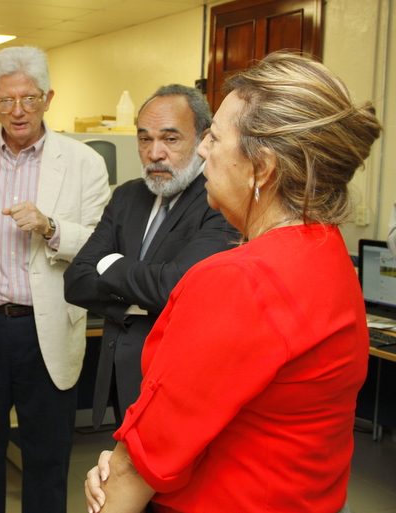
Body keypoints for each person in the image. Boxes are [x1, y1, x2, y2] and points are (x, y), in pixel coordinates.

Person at [84, 51, 381, 513]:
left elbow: (135, 469)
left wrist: (113, 474)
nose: (201, 150)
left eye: (214, 138)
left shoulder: (239, 279)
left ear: (262, 168)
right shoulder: (327, 251)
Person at [0, 46, 110, 513]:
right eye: (6, 100)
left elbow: (99, 246)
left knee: (46, 463)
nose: (18, 112)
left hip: (47, 330)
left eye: (30, 99)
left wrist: (50, 227)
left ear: (48, 98)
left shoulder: (84, 163)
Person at [64, 85, 237, 429]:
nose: (155, 153)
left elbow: (174, 286)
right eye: (145, 139)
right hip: (120, 368)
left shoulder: (218, 202)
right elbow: (77, 281)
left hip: (180, 379)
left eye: (170, 139)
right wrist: (141, 300)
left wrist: (111, 266)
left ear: (204, 139)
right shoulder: (129, 196)